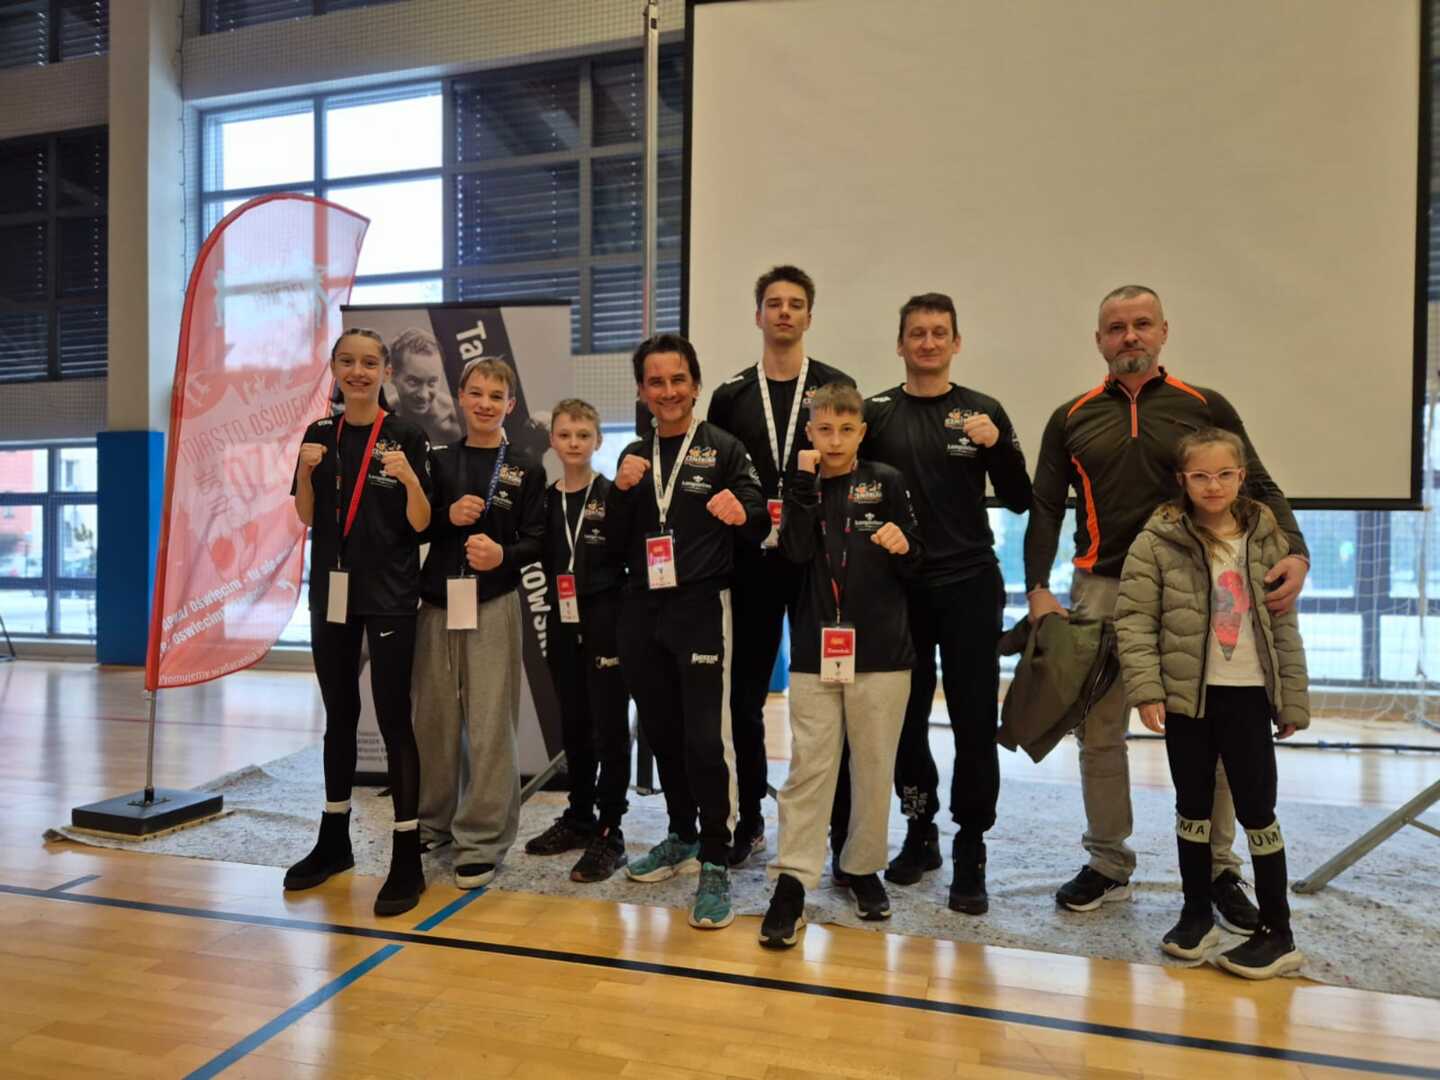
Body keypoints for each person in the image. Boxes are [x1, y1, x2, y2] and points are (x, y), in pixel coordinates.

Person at [1024, 284, 1310, 925]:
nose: (1130, 336)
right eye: (1116, 327)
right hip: (1101, 591)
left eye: (1142, 324)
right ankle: (1107, 862)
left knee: (1217, 733)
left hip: (1197, 591)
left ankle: (1219, 870)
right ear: (1099, 340)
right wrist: (1037, 585)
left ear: (1163, 332)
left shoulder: (1205, 406)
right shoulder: (1070, 417)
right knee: (1099, 734)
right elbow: (1044, 506)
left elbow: (1259, 483)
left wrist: (1297, 552)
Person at [856, 292, 1031, 915]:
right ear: (900, 344)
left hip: (969, 584)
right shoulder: (874, 414)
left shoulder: (982, 411)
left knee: (973, 719)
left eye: (939, 333)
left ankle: (971, 847)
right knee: (903, 719)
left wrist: (997, 446)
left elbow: (1020, 498)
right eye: (917, 333)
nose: (928, 342)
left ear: (956, 343)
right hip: (897, 588)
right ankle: (920, 829)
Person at [1114, 428, 1309, 979]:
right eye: (1200, 476)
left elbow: (1284, 626)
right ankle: (1196, 911)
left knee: (1257, 810)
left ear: (1242, 477)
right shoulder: (1156, 540)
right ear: (1183, 480)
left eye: (1225, 474)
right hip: (1188, 700)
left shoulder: (1267, 538)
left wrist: (1291, 699)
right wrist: (1148, 689)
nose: (1213, 485)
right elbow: (1134, 619)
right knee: (1192, 806)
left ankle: (1278, 932)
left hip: (1249, 697)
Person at [606, 332, 770, 929]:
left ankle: (717, 859)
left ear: (695, 385)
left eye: (678, 379)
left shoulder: (724, 447)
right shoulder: (633, 455)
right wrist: (620, 492)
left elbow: (759, 516)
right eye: (656, 381)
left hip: (701, 606)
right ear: (642, 391)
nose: (668, 391)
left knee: (705, 738)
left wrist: (743, 511)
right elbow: (611, 541)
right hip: (641, 607)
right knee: (660, 730)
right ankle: (682, 834)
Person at [760, 383, 923, 948]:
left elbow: (917, 564)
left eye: (846, 430)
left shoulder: (888, 481)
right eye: (824, 429)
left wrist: (905, 545)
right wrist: (802, 485)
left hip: (882, 652)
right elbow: (795, 553)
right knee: (809, 767)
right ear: (809, 433)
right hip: (814, 652)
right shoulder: (798, 485)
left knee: (874, 766)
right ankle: (793, 881)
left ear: (862, 432)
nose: (835, 440)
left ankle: (861, 867)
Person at [706, 265, 855, 865]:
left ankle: (838, 829)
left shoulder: (835, 386)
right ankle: (749, 820)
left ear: (809, 316)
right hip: (751, 564)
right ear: (759, 315)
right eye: (774, 303)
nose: (785, 312)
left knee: (829, 698)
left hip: (818, 561)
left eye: (796, 303)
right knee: (744, 698)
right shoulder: (731, 395)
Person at [285, 328, 432, 917]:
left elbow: (421, 523)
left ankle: (407, 855)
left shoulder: (406, 435)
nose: (358, 371)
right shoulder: (319, 434)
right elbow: (306, 515)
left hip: (390, 594)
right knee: (339, 716)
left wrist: (410, 478)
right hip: (332, 593)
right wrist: (304, 474)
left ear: (386, 371)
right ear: (333, 369)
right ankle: (334, 841)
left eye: (370, 362)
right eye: (347, 361)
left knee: (394, 719)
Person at [413, 357, 546, 889]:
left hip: (492, 603)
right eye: (477, 393)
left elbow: (538, 540)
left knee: (491, 725)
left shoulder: (526, 467)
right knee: (435, 721)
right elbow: (412, 526)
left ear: (509, 405)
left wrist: (503, 556)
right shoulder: (437, 460)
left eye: (496, 396)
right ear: (461, 396)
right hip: (436, 605)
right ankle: (433, 821)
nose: (485, 403)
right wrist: (446, 517)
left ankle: (482, 839)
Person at [522, 399, 633, 882]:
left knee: (610, 727)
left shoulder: (612, 495)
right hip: (561, 619)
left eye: (583, 435)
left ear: (598, 441)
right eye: (565, 435)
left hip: (606, 618)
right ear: (552, 441)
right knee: (574, 723)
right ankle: (580, 816)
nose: (574, 443)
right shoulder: (545, 500)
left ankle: (611, 829)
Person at [389, 327, 463, 446]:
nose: (423, 395)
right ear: (392, 375)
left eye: (432, 382)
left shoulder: (457, 420)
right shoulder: (382, 416)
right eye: (413, 382)